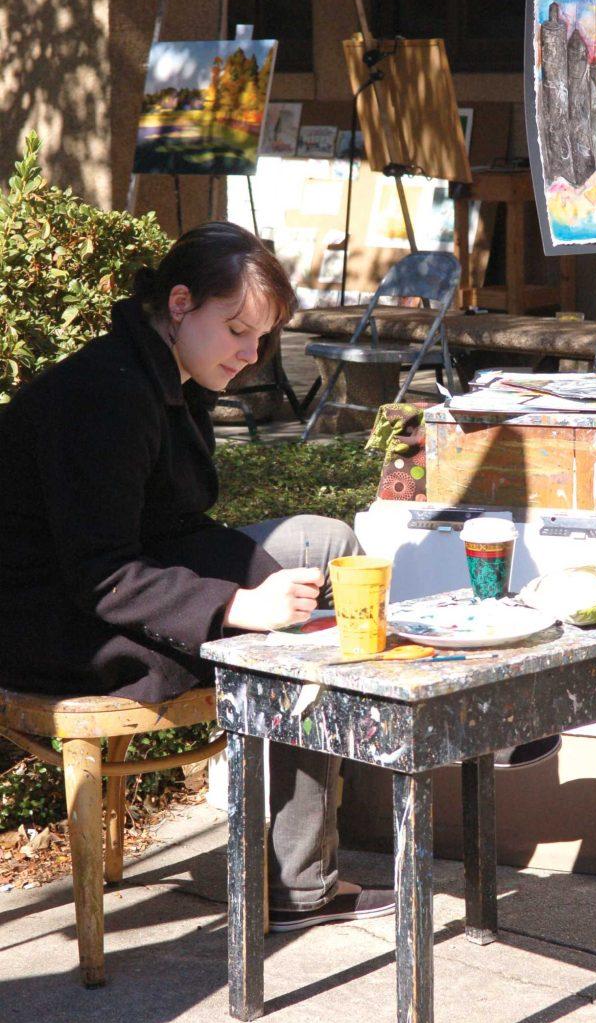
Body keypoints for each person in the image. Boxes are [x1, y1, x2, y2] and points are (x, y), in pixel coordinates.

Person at [0, 220, 393, 932]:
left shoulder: (160, 372)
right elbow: (102, 572)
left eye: (264, 337)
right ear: (179, 302)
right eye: (237, 328)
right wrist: (239, 605)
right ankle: (299, 884)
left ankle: (421, 733)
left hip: (99, 589)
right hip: (49, 621)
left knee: (325, 550)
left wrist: (265, 585)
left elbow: (169, 526)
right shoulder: (109, 393)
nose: (250, 354)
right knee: (290, 639)